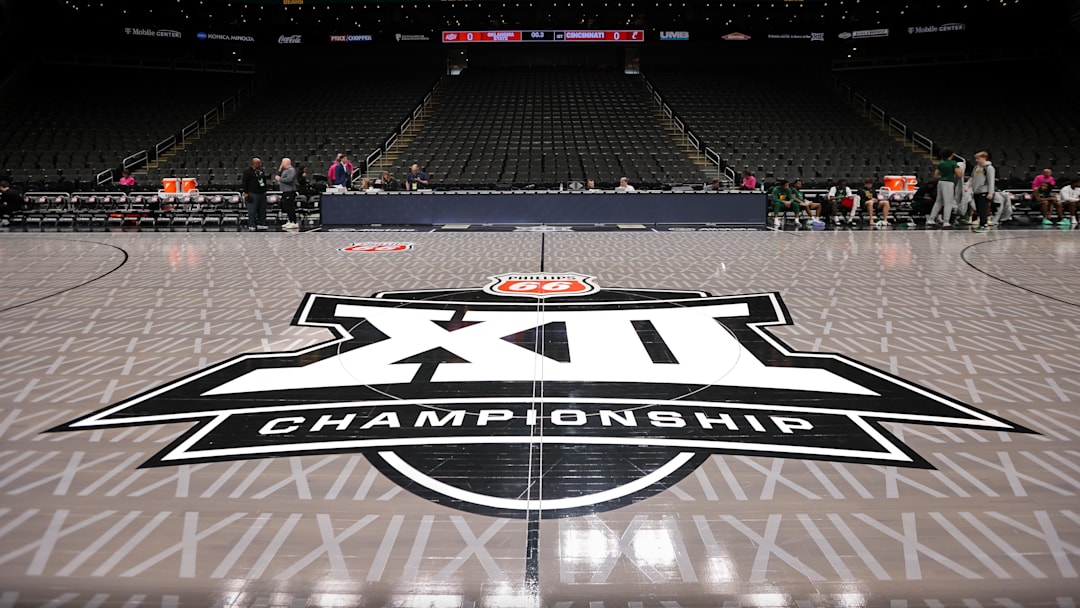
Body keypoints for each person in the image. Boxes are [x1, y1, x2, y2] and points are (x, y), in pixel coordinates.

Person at [929, 148, 963, 227]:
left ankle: (931, 219)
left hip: (940, 182)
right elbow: (959, 175)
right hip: (948, 183)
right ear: (951, 155)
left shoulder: (941, 163)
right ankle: (946, 221)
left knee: (938, 201)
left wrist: (943, 176)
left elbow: (935, 175)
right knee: (948, 202)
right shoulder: (953, 163)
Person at [967, 151, 996, 231]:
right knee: (978, 209)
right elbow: (972, 178)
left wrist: (991, 192)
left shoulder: (989, 168)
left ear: (984, 158)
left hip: (984, 191)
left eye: (978, 158)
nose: (976, 160)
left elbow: (991, 180)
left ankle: (984, 224)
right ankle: (981, 223)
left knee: (983, 209)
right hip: (976, 191)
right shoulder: (976, 167)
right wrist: (967, 186)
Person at [241, 157, 269, 230]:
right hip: (252, 193)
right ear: (254, 163)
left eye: (260, 163)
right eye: (258, 163)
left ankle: (261, 222)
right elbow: (244, 182)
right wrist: (246, 192)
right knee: (252, 210)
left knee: (262, 209)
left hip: (262, 193)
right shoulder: (247, 172)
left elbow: (263, 181)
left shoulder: (261, 171)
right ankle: (251, 224)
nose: (260, 164)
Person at [275, 157, 299, 230]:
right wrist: (280, 169)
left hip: (290, 191)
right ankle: (290, 220)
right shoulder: (285, 170)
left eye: (282, 162)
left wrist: (280, 179)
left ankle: (294, 222)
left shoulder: (291, 170)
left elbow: (289, 179)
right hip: (285, 191)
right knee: (286, 207)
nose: (281, 164)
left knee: (290, 207)